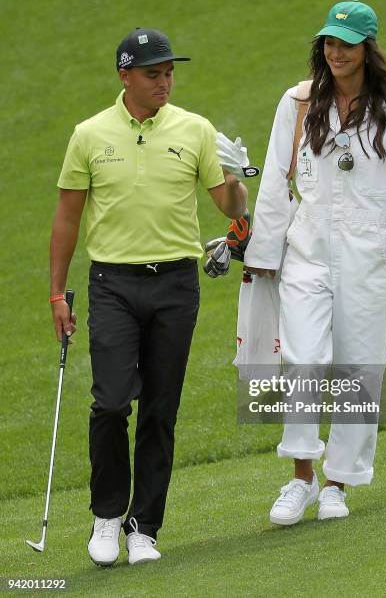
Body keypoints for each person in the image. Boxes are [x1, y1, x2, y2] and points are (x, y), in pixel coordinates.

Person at [50, 28, 248, 565]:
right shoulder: (89, 135)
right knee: (111, 403)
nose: (165, 82)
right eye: (153, 73)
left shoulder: (195, 129)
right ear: (125, 76)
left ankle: (145, 528)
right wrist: (55, 295)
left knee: (161, 409)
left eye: (169, 73)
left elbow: (229, 208)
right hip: (112, 283)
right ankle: (108, 517)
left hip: (176, 284)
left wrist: (237, 180)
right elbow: (68, 217)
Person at [244, 0, 386, 524]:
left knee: (357, 372)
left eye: (346, 44)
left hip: (370, 258)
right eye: (329, 42)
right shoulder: (299, 102)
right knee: (302, 358)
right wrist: (262, 254)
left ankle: (337, 485)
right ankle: (300, 476)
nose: (335, 53)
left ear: (367, 49)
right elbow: (279, 182)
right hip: (307, 252)